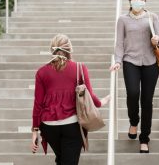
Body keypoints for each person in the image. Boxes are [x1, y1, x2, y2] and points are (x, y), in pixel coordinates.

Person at [31, 34, 110, 165]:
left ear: (51, 49)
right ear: (70, 49)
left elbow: (38, 104)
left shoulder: (41, 72)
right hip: (72, 125)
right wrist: (102, 101)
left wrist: (34, 131)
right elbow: (89, 96)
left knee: (62, 159)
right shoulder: (80, 68)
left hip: (49, 127)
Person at [110, 0, 159, 153]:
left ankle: (144, 138)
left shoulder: (152, 17)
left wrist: (157, 40)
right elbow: (119, 43)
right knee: (133, 93)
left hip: (150, 62)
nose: (139, 1)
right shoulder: (123, 19)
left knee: (147, 101)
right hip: (130, 61)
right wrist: (118, 60)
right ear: (130, 0)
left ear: (145, 0)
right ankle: (134, 121)